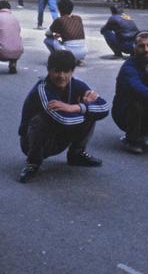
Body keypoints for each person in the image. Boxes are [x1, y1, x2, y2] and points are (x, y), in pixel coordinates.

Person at [17, 50, 109, 182]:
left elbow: (104, 107)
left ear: (72, 71)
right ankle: (33, 163)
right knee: (39, 121)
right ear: (49, 70)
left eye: (66, 71)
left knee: (89, 110)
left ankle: (76, 154)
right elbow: (63, 119)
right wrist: (87, 110)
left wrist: (76, 107)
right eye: (57, 71)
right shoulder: (42, 89)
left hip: (61, 135)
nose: (61, 76)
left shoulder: (76, 84)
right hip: (35, 142)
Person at [44, 0, 88, 65]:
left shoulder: (59, 20)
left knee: (47, 40)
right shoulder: (78, 18)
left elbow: (48, 33)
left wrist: (56, 35)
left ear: (59, 9)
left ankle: (57, 59)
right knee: (61, 39)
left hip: (68, 53)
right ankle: (77, 60)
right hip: (83, 52)